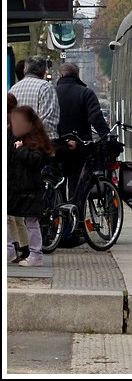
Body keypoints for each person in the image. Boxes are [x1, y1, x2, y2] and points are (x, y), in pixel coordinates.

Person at [7, 104, 55, 268]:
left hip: (28, 188)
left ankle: (35, 254)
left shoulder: (33, 139)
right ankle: (10, 250)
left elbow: (36, 159)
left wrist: (21, 150)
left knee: (31, 221)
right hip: (16, 186)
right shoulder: (13, 135)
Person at [55, 63, 110, 198]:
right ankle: (75, 213)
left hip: (57, 146)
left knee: (57, 184)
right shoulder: (86, 93)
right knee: (77, 185)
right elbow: (96, 117)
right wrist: (105, 135)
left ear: (60, 75)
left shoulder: (51, 92)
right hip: (79, 148)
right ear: (77, 75)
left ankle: (58, 212)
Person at [9, 55, 60, 140]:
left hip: (17, 143)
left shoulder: (13, 89)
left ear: (25, 71)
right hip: (39, 143)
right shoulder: (46, 88)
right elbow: (48, 120)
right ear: (43, 72)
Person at [6, 93, 30, 263]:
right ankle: (20, 246)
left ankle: (19, 248)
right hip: (13, 173)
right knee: (13, 216)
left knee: (13, 216)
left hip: (14, 174)